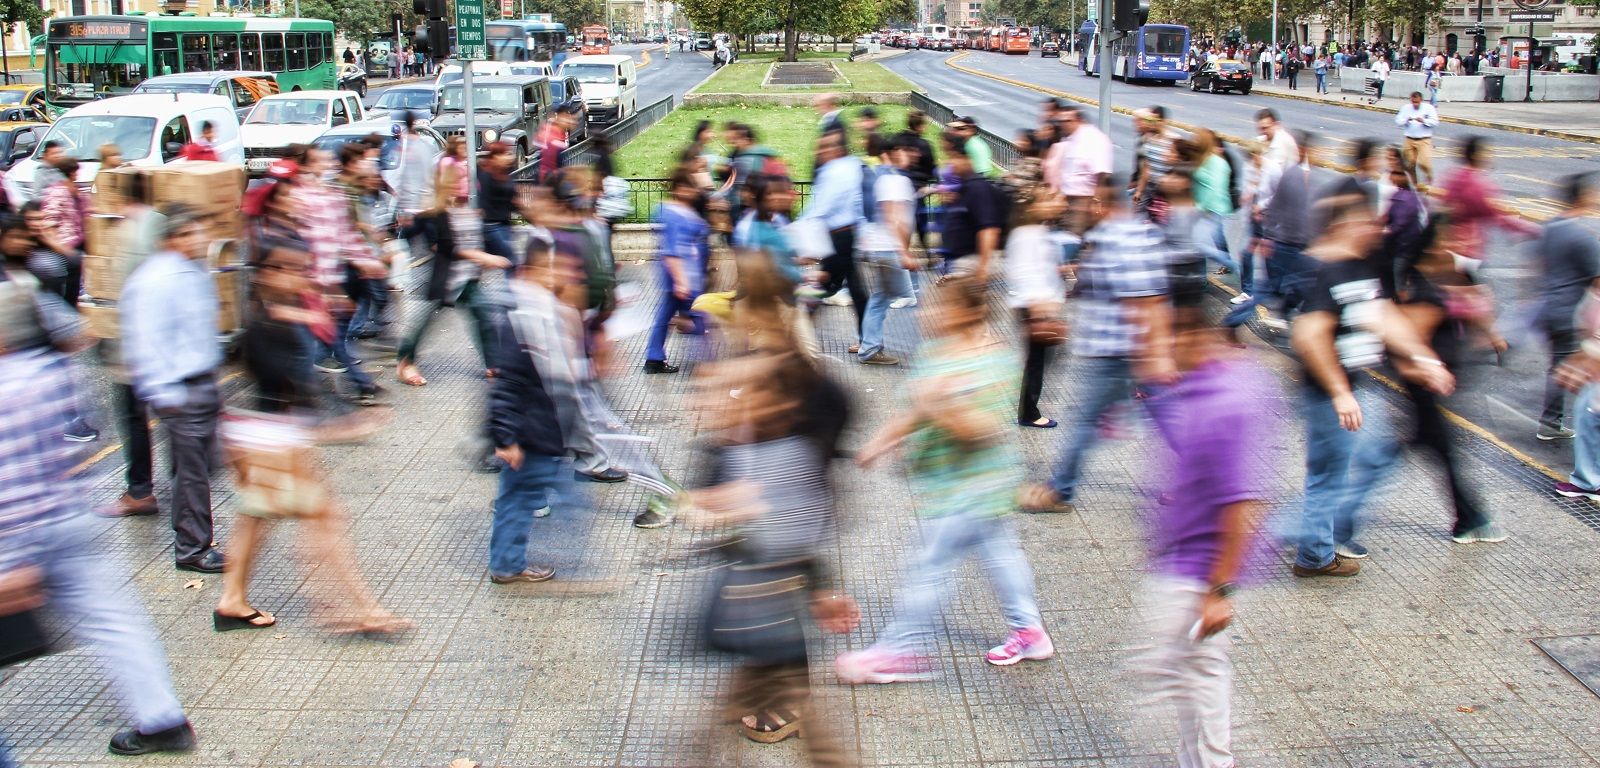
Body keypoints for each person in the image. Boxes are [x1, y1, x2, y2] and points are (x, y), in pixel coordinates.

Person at [0, 245, 199, 757]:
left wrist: (16, 560)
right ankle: (162, 718)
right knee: (116, 621)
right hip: (72, 517)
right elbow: (85, 438)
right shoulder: (50, 372)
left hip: (19, 535)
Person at [836, 274, 1053, 683]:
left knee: (928, 565)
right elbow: (917, 410)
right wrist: (881, 442)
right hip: (956, 483)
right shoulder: (936, 352)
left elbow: (986, 430)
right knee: (1001, 552)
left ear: (967, 313)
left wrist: (941, 406)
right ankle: (1030, 631)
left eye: (938, 307)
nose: (925, 314)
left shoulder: (992, 361)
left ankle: (901, 650)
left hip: (971, 486)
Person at [687, 346, 855, 760]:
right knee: (750, 696)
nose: (713, 402)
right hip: (747, 602)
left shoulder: (792, 455)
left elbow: (800, 531)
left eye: (735, 392)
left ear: (777, 403)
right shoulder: (733, 449)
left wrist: (823, 591)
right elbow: (717, 499)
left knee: (773, 699)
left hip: (774, 607)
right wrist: (707, 505)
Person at [1289, 194, 1457, 578]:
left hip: (1355, 386)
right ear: (1346, 226)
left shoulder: (1359, 267)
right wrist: (1339, 392)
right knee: (1329, 476)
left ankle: (1318, 539)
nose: (1378, 229)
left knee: (1374, 457)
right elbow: (1310, 335)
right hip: (1332, 392)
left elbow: (1383, 316)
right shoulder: (1325, 269)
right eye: (1368, 222)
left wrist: (1425, 359)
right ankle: (1311, 552)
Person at [1135, 302, 1272, 768]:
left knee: (1182, 674)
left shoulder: (1223, 404)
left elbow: (1243, 504)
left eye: (1158, 343)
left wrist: (1219, 590)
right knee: (1196, 675)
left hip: (1199, 570)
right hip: (1186, 562)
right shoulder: (1198, 390)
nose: (1151, 354)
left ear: (1188, 339)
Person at [1021, 176, 1171, 515]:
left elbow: (1146, 299)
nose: (1083, 208)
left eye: (1089, 202)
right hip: (1119, 350)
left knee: (1086, 421)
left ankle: (1060, 490)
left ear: (1102, 205)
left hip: (1118, 351)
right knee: (1163, 415)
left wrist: (1154, 353)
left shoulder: (1121, 238)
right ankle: (1201, 478)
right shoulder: (1119, 234)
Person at [119, 205, 226, 573]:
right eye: (188, 234)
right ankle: (193, 549)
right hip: (181, 390)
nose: (198, 240)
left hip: (202, 383)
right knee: (191, 474)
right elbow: (147, 341)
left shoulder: (195, 272)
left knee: (199, 469)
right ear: (169, 240)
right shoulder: (155, 280)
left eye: (199, 232)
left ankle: (193, 537)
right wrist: (166, 394)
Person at [394, 150, 513, 387]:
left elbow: (474, 239)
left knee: (483, 316)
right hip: (445, 278)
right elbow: (445, 246)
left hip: (467, 278)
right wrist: (481, 256)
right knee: (426, 321)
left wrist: (481, 260)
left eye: (466, 178)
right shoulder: (438, 212)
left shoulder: (468, 210)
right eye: (460, 178)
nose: (465, 182)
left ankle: (492, 363)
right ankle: (405, 361)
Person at [94, 174, 166, 519]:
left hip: (135, 347)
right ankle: (181, 482)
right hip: (164, 344)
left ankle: (140, 492)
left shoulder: (126, 231)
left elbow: (121, 293)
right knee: (170, 415)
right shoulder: (163, 224)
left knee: (133, 416)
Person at [1536, 174, 1599, 446]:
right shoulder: (1583, 238)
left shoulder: (1551, 227)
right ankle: (1553, 423)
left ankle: (1551, 421)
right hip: (1570, 313)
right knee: (1575, 368)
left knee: (1560, 366)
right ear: (1582, 197)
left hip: (1549, 307)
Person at [1007, 191, 1069, 429]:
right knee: (1036, 363)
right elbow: (1023, 273)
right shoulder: (1027, 234)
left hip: (1041, 306)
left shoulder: (1039, 231)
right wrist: (1038, 310)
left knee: (1039, 361)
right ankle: (1029, 413)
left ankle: (1029, 409)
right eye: (1049, 200)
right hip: (1034, 308)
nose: (1057, 203)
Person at [854, 135, 917, 366]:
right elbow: (893, 217)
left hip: (879, 246)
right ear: (893, 152)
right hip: (888, 249)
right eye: (906, 150)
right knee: (904, 297)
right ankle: (869, 348)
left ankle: (868, 345)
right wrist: (903, 252)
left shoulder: (883, 177)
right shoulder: (893, 180)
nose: (911, 155)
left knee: (881, 298)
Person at [799, 130, 867, 340]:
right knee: (852, 287)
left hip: (838, 236)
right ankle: (867, 338)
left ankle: (795, 331)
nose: (820, 152)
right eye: (820, 147)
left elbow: (822, 206)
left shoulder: (834, 171)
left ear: (838, 149)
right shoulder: (851, 166)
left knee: (826, 285)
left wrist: (799, 228)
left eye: (826, 147)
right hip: (843, 234)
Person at [645, 167, 709, 374]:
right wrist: (681, 281)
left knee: (665, 316)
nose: (693, 192)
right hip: (683, 276)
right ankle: (701, 361)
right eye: (689, 187)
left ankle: (654, 357)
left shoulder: (677, 211)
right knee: (698, 315)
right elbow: (672, 250)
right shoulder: (674, 214)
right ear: (679, 188)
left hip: (683, 275)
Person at [937, 134, 1005, 284]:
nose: (951, 163)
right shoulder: (964, 188)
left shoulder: (977, 188)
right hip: (963, 262)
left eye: (955, 158)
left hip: (971, 262)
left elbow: (989, 229)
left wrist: (983, 267)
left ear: (967, 159)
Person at [1044, 103, 1112, 237]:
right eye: (1061, 121)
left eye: (1068, 121)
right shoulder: (1071, 138)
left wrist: (1096, 202)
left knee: (1076, 237)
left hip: (1084, 200)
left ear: (1079, 120)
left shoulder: (1093, 139)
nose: (1063, 125)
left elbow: (1102, 174)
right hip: (1068, 199)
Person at [1395, 92, 1439, 188]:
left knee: (1424, 162)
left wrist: (1424, 121)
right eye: (1413, 102)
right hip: (1409, 139)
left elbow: (1435, 122)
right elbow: (1398, 121)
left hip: (1424, 139)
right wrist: (1406, 119)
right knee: (1409, 164)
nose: (1415, 104)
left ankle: (1429, 176)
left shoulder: (1429, 108)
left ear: (1421, 100)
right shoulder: (1406, 108)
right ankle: (1415, 184)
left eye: (1417, 102)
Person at [536, 105, 576, 183]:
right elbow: (548, 164)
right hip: (548, 181)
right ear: (559, 116)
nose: (571, 122)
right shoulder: (552, 134)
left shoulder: (560, 132)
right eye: (568, 118)